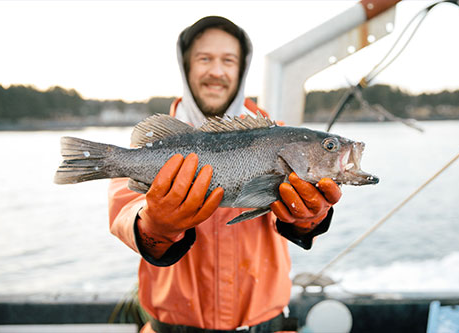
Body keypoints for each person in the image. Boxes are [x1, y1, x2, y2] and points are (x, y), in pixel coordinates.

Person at [108, 16, 342, 333]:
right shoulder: (153, 149)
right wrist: (153, 224)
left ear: (241, 70)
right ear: (187, 67)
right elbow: (124, 211)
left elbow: (301, 225)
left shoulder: (283, 140)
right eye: (204, 59)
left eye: (228, 60)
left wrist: (309, 218)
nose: (216, 71)